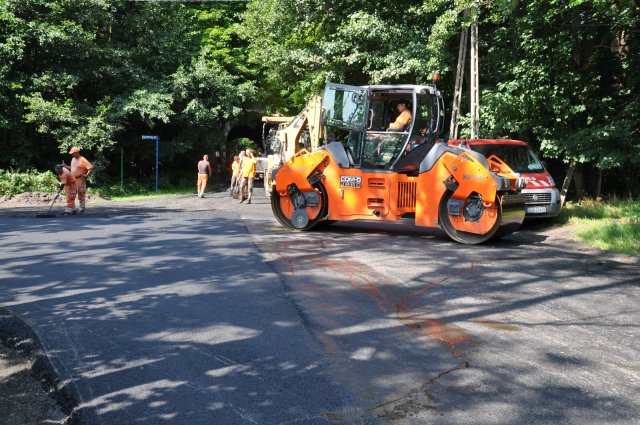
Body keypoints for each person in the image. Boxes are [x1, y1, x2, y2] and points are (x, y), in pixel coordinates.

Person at [65, 147, 94, 214]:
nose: (72, 154)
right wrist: (66, 166)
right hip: (73, 179)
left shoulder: (82, 159)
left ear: (77, 153)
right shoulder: (73, 159)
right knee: (72, 194)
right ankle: (72, 208)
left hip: (80, 179)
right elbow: (72, 168)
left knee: (81, 193)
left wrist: (86, 175)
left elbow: (90, 167)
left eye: (73, 153)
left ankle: (81, 208)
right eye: (71, 153)